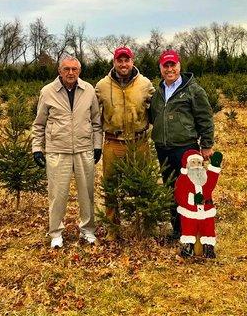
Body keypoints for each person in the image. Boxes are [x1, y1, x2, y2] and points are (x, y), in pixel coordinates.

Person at [32, 55, 103, 248]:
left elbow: (96, 122)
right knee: (57, 194)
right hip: (58, 151)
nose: (70, 73)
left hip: (83, 149)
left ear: (79, 71)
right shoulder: (47, 92)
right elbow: (39, 124)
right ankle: (56, 233)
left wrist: (97, 146)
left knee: (87, 193)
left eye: (74, 69)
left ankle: (88, 230)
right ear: (59, 71)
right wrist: (37, 148)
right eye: (66, 69)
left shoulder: (88, 90)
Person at [149, 49, 214, 239]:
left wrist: (207, 144)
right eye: (165, 65)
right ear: (160, 68)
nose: (170, 69)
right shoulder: (158, 91)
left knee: (192, 188)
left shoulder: (193, 90)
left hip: (186, 148)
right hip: (163, 148)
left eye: (173, 65)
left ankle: (197, 228)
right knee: (171, 188)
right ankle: (177, 229)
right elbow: (154, 117)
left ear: (179, 66)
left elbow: (205, 118)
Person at [95, 46, 155, 239]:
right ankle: (113, 229)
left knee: (144, 184)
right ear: (114, 62)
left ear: (132, 61)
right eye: (119, 60)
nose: (123, 64)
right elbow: (94, 115)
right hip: (113, 142)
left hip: (139, 141)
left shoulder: (145, 84)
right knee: (111, 187)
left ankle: (145, 226)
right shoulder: (102, 86)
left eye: (126, 60)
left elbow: (155, 109)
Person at [174, 149, 222, 258]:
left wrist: (214, 166)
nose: (197, 166)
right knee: (189, 229)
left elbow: (211, 182)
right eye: (193, 162)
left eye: (199, 163)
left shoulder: (204, 177)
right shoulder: (183, 179)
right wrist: (192, 199)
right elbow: (179, 194)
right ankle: (187, 248)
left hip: (206, 211)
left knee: (208, 229)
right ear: (187, 164)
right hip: (190, 212)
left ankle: (208, 249)